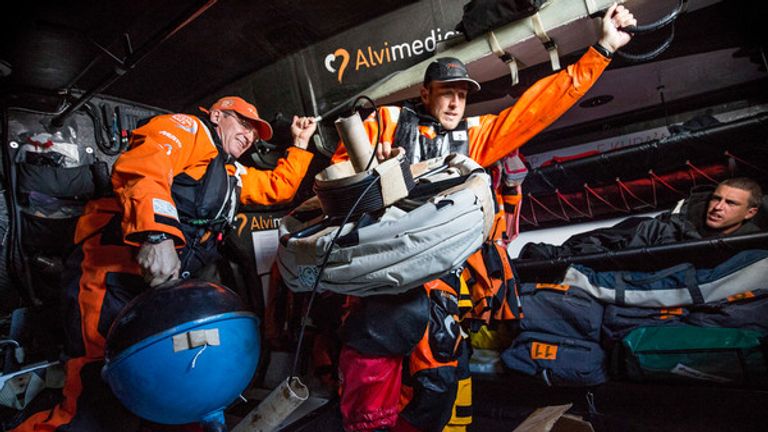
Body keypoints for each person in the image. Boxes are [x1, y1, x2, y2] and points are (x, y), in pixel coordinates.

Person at [330, 4, 637, 432]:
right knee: (373, 361)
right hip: (380, 271)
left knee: (438, 376)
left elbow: (536, 108)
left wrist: (601, 50)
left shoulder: (474, 137)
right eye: (446, 92)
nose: (455, 102)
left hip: (439, 278)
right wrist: (373, 170)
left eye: (462, 94)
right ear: (425, 93)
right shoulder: (387, 121)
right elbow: (339, 177)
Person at [13, 96, 316, 432]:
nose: (249, 136)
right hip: (110, 276)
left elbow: (277, 188)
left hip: (158, 294)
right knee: (96, 393)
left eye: (255, 135)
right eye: (244, 124)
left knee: (159, 388)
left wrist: (300, 144)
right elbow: (146, 166)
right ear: (218, 115)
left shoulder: (232, 172)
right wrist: (156, 235)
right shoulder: (189, 130)